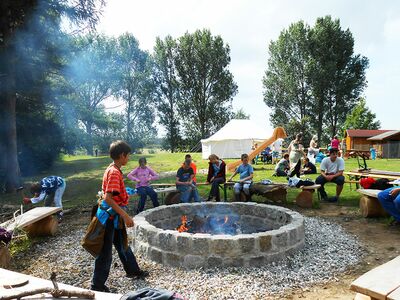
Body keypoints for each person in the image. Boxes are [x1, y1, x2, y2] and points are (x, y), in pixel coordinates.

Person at [91, 140, 148, 293]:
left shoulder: (112, 168)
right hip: (110, 217)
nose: (128, 158)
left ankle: (133, 270)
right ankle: (97, 285)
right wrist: (126, 216)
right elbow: (108, 198)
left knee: (122, 244)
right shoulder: (114, 172)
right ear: (122, 155)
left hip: (114, 216)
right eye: (128, 155)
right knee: (105, 253)